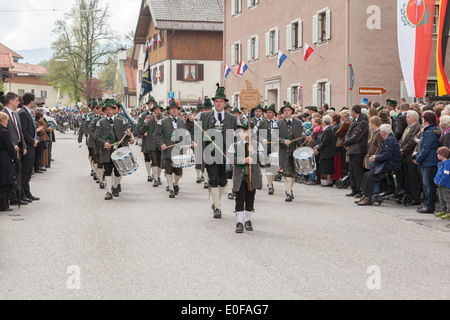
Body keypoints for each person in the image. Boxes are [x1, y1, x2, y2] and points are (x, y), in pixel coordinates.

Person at [201, 87, 238, 218]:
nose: (218, 104)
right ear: (214, 102)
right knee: (214, 179)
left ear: (225, 103)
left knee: (223, 181)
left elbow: (239, 133)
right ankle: (217, 207)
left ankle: (216, 202)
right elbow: (195, 129)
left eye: (221, 101)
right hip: (210, 153)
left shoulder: (232, 118)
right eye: (216, 101)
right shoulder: (205, 116)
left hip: (226, 154)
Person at [227, 121, 265, 233]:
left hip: (252, 176)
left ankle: (248, 220)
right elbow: (230, 160)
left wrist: (253, 153)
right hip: (240, 176)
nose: (247, 134)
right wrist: (243, 160)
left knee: (250, 198)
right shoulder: (234, 145)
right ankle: (239, 222)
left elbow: (262, 160)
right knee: (239, 198)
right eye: (244, 131)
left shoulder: (258, 145)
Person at [356, 124, 402, 206]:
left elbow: (387, 155)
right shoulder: (388, 139)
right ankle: (365, 195)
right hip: (387, 163)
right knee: (367, 174)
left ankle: (368, 198)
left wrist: (376, 158)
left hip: (390, 164)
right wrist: (376, 157)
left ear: (383, 132)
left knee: (371, 177)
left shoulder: (389, 140)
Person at [95, 102, 133, 200]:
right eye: (106, 110)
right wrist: (104, 143)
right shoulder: (101, 122)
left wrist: (129, 136)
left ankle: (115, 186)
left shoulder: (121, 121)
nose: (108, 111)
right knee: (107, 170)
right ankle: (109, 192)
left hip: (120, 149)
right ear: (104, 111)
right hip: (106, 150)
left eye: (110, 109)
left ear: (113, 110)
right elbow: (97, 136)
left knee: (118, 171)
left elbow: (127, 133)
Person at [154, 100, 190, 198]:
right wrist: (161, 144)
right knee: (168, 169)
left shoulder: (182, 121)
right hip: (167, 149)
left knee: (178, 171)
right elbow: (156, 135)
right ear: (169, 111)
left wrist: (188, 142)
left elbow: (186, 134)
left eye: (176, 109)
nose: (174, 111)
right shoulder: (162, 122)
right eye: (172, 109)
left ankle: (175, 184)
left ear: (178, 111)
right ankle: (170, 189)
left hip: (180, 150)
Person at [414, 111, 440, 214]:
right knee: (426, 185)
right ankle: (426, 204)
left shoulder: (430, 132)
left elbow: (426, 148)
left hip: (429, 161)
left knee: (429, 185)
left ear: (427, 120)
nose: (422, 120)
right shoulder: (429, 130)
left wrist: (418, 159)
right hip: (427, 160)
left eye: (423, 119)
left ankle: (429, 206)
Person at [278, 102, 303, 201]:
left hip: (296, 151)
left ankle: (289, 189)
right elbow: (275, 137)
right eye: (284, 111)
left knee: (293, 173)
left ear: (291, 111)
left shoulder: (298, 122)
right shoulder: (278, 123)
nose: (286, 112)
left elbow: (301, 136)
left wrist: (307, 138)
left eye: (288, 110)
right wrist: (283, 141)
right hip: (284, 151)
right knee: (286, 172)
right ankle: (288, 193)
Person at [344, 105, 369, 198]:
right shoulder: (354, 121)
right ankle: (354, 188)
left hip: (358, 149)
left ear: (354, 111)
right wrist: (346, 142)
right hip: (352, 149)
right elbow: (348, 133)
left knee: (357, 171)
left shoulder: (363, 122)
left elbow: (357, 136)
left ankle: (360, 190)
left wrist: (347, 142)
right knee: (352, 171)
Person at [399, 110, 421, 205]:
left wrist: (403, 150)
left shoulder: (417, 127)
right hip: (404, 156)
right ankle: (408, 195)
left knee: (413, 178)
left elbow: (412, 142)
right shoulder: (408, 127)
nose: (406, 119)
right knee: (407, 178)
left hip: (410, 156)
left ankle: (415, 197)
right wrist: (399, 148)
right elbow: (402, 139)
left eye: (408, 117)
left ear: (413, 118)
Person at [141, 103, 164, 187]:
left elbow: (164, 127)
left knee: (160, 161)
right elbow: (142, 130)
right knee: (154, 160)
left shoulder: (163, 118)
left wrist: (156, 119)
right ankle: (155, 179)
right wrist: (146, 123)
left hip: (161, 142)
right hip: (151, 142)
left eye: (159, 109)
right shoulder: (148, 118)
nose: (158, 111)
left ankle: (158, 177)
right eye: (156, 109)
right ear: (153, 110)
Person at [0, 112, 18, 211]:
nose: (7, 122)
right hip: (4, 159)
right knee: (5, 182)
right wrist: (16, 159)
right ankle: (4, 206)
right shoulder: (4, 131)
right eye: (6, 120)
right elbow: (9, 147)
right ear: (3, 120)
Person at [314, 115, 336, 187]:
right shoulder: (328, 129)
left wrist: (318, 148)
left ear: (324, 122)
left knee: (328, 167)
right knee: (327, 167)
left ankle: (329, 181)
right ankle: (329, 181)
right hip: (327, 151)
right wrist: (318, 146)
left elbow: (325, 142)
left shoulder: (328, 130)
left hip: (328, 152)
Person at [262, 103, 279, 195]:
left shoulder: (278, 123)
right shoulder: (261, 123)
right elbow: (256, 135)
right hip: (265, 147)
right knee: (268, 166)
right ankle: (270, 185)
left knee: (274, 167)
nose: (268, 114)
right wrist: (262, 139)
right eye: (267, 112)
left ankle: (271, 182)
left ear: (274, 114)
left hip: (275, 147)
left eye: (270, 112)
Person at [434, 146, 450, 220]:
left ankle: (448, 211)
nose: (437, 155)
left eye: (438, 154)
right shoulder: (440, 163)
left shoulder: (447, 164)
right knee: (441, 197)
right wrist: (436, 179)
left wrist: (440, 182)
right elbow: (438, 173)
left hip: (445, 185)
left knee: (447, 198)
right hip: (439, 184)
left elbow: (445, 175)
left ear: (442, 155)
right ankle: (443, 210)